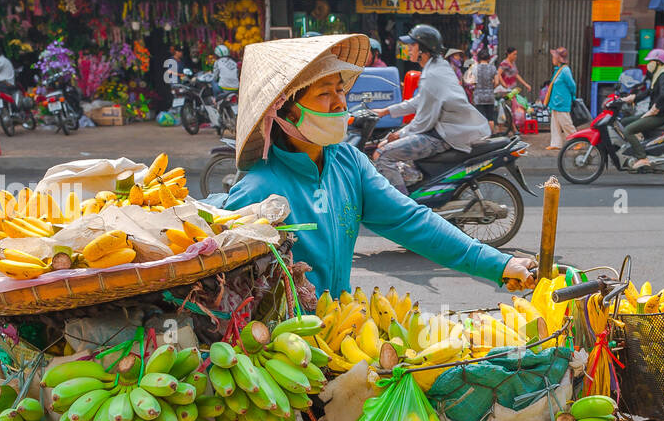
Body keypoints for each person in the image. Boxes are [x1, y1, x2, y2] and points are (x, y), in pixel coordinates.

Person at [221, 34, 535, 299]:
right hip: (285, 352)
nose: (340, 104)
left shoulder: (349, 165)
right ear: (287, 112)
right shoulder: (256, 191)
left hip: (338, 332)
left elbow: (412, 221)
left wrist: (498, 263)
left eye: (340, 90)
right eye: (324, 93)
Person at [371, 24, 490, 195]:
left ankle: (403, 208)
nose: (409, 49)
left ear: (423, 50)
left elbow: (424, 121)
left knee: (382, 154)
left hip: (441, 135)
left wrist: (399, 135)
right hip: (443, 129)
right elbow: (420, 101)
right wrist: (386, 111)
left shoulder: (432, 74)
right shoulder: (438, 66)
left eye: (412, 46)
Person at [619, 47, 664, 169]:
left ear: (658, 63)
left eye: (651, 61)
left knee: (628, 130)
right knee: (623, 122)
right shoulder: (658, 74)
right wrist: (632, 98)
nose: (648, 64)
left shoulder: (663, 75)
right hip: (654, 112)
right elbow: (648, 92)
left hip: (659, 115)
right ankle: (636, 149)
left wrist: (656, 107)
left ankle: (642, 157)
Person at [543, 46, 577, 150]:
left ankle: (577, 141)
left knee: (566, 123)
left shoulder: (565, 70)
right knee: (555, 125)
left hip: (562, 102)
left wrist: (573, 97)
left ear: (558, 58)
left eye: (554, 57)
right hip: (555, 102)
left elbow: (572, 85)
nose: (552, 59)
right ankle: (556, 143)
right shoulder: (558, 70)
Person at [469, 48, 497, 125]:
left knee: (480, 118)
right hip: (490, 96)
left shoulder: (475, 68)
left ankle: (483, 135)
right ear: (488, 58)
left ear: (478, 58)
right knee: (490, 118)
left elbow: (472, 82)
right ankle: (490, 135)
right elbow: (497, 82)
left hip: (478, 96)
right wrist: (491, 87)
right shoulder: (493, 68)